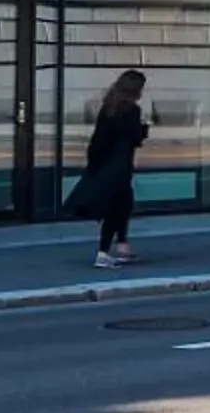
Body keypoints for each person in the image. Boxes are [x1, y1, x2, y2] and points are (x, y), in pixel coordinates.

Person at [64, 68, 149, 267]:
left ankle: (122, 246)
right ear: (135, 89)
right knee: (118, 207)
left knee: (124, 204)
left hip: (106, 164)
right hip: (120, 165)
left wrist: (95, 164)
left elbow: (98, 140)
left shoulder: (108, 107)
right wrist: (144, 130)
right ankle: (104, 252)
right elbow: (134, 139)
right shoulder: (132, 110)